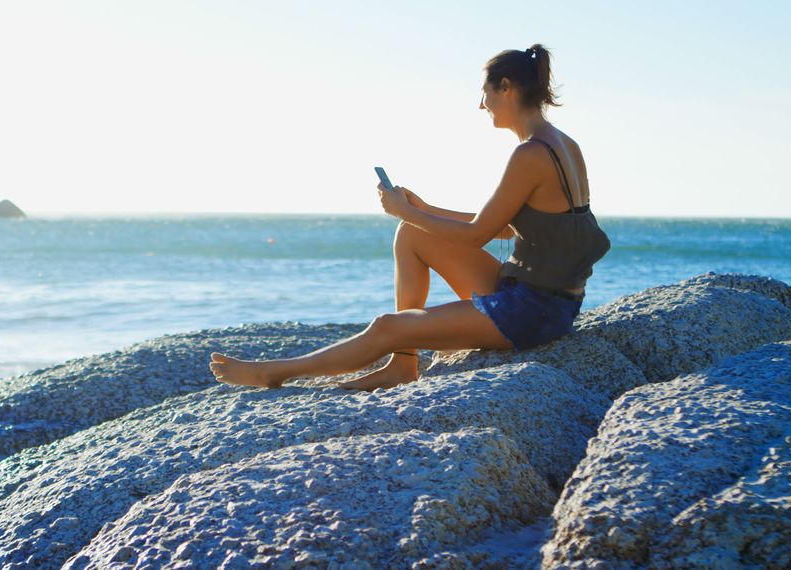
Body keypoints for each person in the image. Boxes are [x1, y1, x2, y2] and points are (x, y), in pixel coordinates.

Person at [210, 44, 610, 391]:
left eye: (485, 92)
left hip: (532, 312)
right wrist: (420, 211)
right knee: (412, 233)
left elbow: (476, 236)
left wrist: (404, 208)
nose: (481, 104)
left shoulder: (529, 154)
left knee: (387, 325)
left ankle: (274, 373)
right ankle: (403, 364)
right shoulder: (562, 144)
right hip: (542, 296)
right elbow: (508, 224)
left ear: (505, 87)